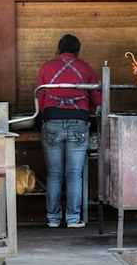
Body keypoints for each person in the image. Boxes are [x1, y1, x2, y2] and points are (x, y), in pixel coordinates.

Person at [37, 34, 101, 228]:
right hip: (78, 123)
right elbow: (97, 101)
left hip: (52, 123)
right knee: (74, 174)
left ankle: (53, 219)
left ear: (58, 51)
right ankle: (73, 219)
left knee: (54, 174)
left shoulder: (46, 67)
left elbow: (40, 101)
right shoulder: (85, 68)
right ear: (77, 52)